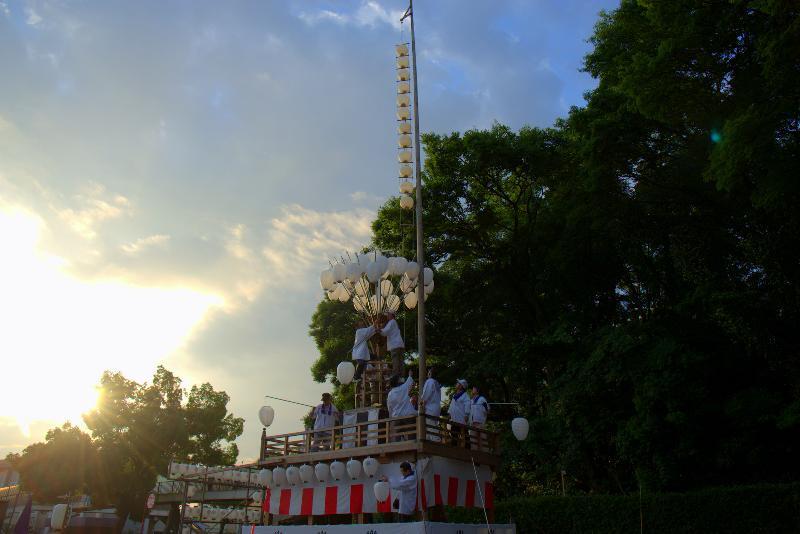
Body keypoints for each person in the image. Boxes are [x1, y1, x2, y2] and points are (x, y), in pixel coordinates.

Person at [387, 372, 415, 441]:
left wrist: (391, 416)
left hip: (397, 416)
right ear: (398, 381)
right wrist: (410, 375)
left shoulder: (390, 394)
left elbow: (389, 407)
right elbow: (410, 381)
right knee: (411, 432)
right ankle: (412, 445)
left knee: (397, 434)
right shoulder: (404, 387)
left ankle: (397, 446)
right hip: (408, 414)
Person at [379, 311, 405, 376]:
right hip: (399, 345)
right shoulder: (394, 322)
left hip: (395, 345)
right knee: (400, 362)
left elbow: (385, 332)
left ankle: (396, 377)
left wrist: (379, 329)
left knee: (395, 362)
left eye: (388, 314)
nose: (387, 316)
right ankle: (401, 377)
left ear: (391, 315)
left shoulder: (392, 322)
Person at [421, 368, 442, 441]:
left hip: (430, 408)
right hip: (436, 407)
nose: (427, 374)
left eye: (428, 372)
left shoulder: (430, 381)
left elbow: (426, 395)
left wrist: (422, 402)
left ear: (430, 374)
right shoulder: (437, 383)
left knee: (431, 428)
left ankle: (436, 444)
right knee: (433, 426)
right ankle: (432, 443)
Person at [448, 379, 470, 446]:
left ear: (461, 386)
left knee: (464, 434)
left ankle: (467, 448)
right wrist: (449, 413)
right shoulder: (455, 395)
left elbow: (467, 405)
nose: (456, 384)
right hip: (454, 418)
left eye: (458, 383)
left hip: (461, 419)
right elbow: (451, 405)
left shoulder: (465, 396)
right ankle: (454, 447)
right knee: (454, 434)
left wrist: (466, 414)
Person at [468, 385, 490, 450]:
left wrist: (486, 412)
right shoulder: (471, 400)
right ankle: (475, 454)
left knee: (482, 438)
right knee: (473, 439)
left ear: (477, 391)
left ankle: (486, 453)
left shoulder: (482, 399)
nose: (472, 390)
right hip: (472, 423)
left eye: (473, 389)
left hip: (480, 422)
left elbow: (488, 409)